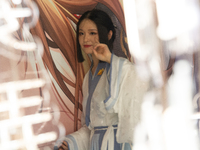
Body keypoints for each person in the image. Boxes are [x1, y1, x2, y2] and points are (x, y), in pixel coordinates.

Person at [54, 9, 149, 150]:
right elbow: (92, 127)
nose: (86, 39)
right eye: (81, 33)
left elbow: (140, 86)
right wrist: (70, 143)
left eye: (92, 33)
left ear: (109, 34)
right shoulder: (88, 79)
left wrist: (110, 58)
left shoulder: (122, 69)